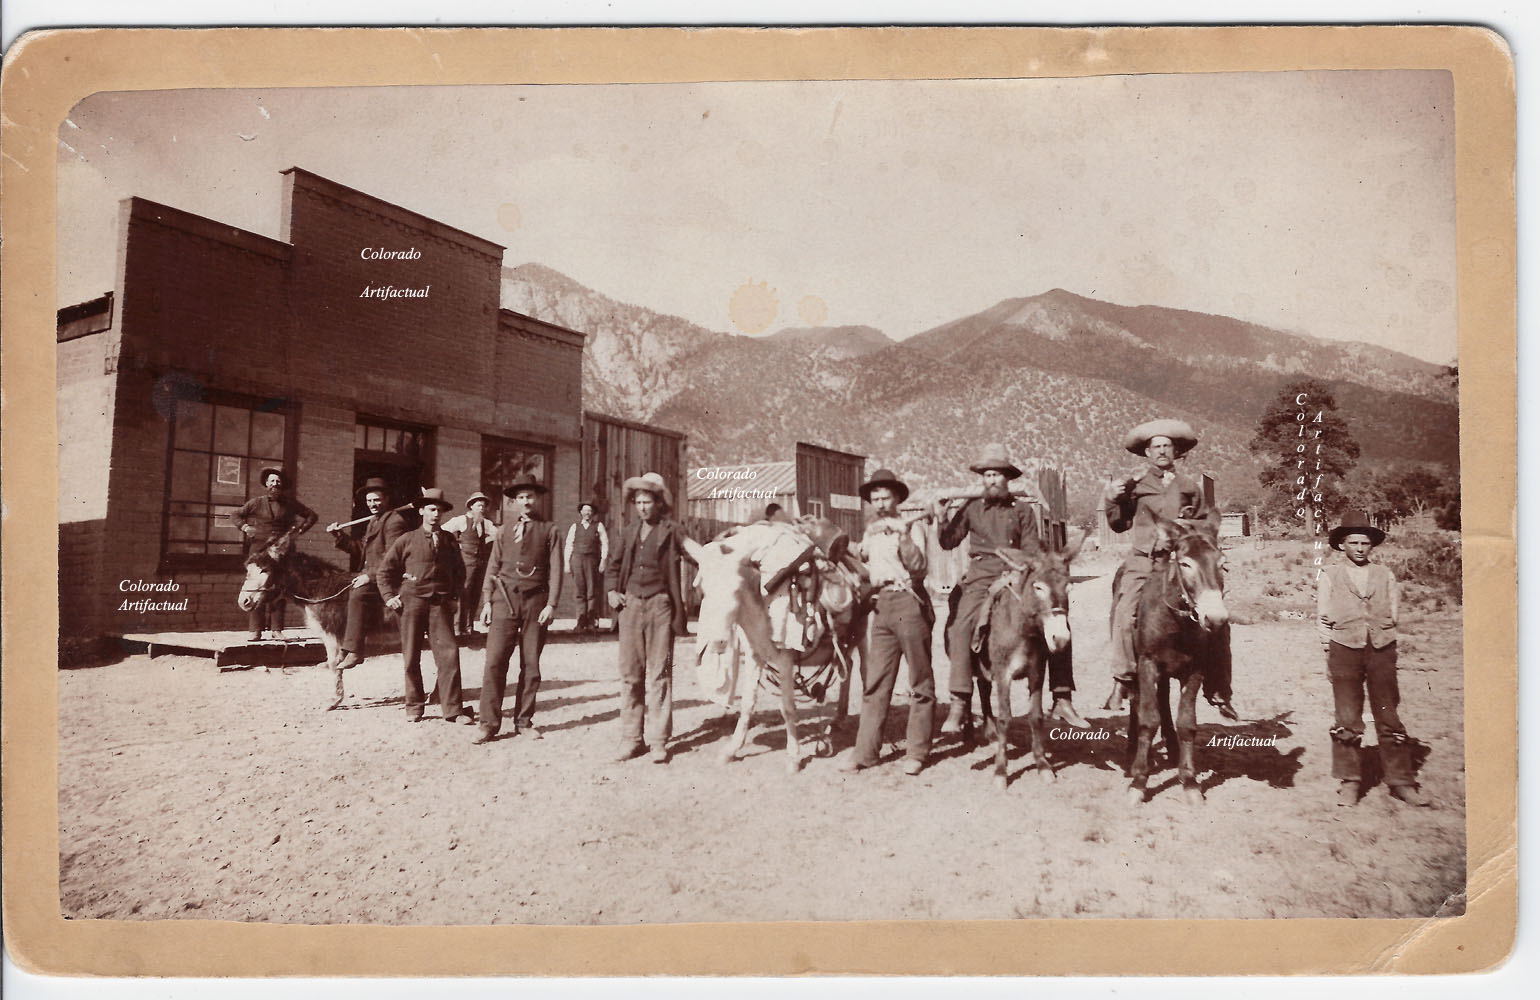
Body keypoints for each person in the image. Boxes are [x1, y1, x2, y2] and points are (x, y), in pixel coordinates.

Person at [934, 443, 1088, 738]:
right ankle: (960, 700)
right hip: (980, 576)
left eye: (998, 475)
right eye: (987, 475)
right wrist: (942, 518)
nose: (992, 480)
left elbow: (1031, 550)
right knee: (960, 626)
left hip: (1015, 572)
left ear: (1008, 479)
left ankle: (1062, 695)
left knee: (1055, 620)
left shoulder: (1023, 510)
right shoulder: (971, 508)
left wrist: (1020, 571)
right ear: (983, 479)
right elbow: (948, 541)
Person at [1102, 419, 1237, 720]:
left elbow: (1204, 526)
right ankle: (1122, 680)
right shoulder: (1135, 488)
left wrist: (1189, 528)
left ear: (1175, 451)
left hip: (1179, 562)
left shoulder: (1189, 487)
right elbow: (1118, 522)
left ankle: (1219, 688)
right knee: (1125, 615)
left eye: (1167, 446)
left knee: (1218, 621)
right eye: (1156, 447)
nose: (1162, 451)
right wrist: (1111, 499)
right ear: (1147, 453)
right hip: (1144, 562)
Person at [1319, 515, 1430, 807]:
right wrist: (1327, 652)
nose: (1359, 548)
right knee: (1346, 716)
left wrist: (1381, 632)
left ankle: (1401, 781)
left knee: (1388, 714)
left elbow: (1394, 613)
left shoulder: (1384, 574)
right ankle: (1350, 781)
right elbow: (1323, 618)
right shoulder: (1329, 575)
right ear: (1342, 545)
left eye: (1364, 543)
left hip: (1381, 650)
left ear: (1372, 546)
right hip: (1343, 649)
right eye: (1353, 542)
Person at [839, 468, 934, 776]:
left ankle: (917, 752)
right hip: (882, 607)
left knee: (919, 680)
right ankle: (865, 753)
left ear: (896, 498)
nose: (880, 503)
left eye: (885, 497)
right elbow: (865, 562)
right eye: (875, 498)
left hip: (908, 600)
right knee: (875, 682)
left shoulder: (910, 526)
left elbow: (919, 568)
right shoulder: (871, 530)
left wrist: (905, 536)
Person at [606, 472, 690, 764]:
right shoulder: (628, 532)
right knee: (630, 675)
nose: (642, 507)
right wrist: (611, 592)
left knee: (660, 674)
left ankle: (658, 741)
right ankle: (631, 740)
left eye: (648, 501)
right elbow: (613, 566)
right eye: (638, 502)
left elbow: (695, 552)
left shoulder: (672, 530)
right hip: (630, 607)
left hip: (660, 606)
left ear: (658, 503)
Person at [475, 476, 563, 744]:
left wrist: (551, 604)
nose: (526, 501)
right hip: (504, 599)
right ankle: (488, 723)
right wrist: (487, 601)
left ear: (538, 499)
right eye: (521, 497)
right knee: (494, 662)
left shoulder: (550, 530)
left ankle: (523, 721)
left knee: (531, 664)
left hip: (536, 602)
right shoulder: (503, 530)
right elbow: (493, 566)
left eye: (531, 497)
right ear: (513, 501)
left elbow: (557, 569)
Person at [377, 488, 470, 725]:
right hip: (412, 603)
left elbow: (460, 572)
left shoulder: (450, 540)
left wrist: (454, 598)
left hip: (440, 604)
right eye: (431, 509)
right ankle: (414, 706)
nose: (435, 514)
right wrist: (390, 596)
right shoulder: (406, 540)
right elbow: (384, 571)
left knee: (449, 655)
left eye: (439, 510)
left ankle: (453, 710)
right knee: (411, 656)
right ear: (421, 511)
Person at [324, 478, 408, 705]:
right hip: (372, 572)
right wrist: (339, 537)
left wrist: (369, 576)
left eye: (377, 500)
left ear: (386, 500)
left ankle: (354, 650)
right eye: (369, 500)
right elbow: (362, 550)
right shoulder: (374, 521)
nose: (373, 504)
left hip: (387, 576)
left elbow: (392, 556)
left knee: (359, 594)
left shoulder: (394, 521)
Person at [232, 467, 318, 640]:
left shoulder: (290, 503)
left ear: (282, 485)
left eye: (278, 481)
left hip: (282, 551)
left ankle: (276, 629)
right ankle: (255, 630)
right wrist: (245, 527)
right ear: (266, 484)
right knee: (257, 585)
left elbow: (311, 516)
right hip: (259, 550)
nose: (275, 484)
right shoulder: (256, 503)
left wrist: (298, 532)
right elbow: (236, 514)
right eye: (272, 481)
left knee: (279, 587)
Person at [442, 492, 498, 637]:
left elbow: (499, 535)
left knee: (475, 594)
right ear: (471, 506)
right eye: (479, 505)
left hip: (480, 564)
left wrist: (489, 541)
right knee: (463, 593)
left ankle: (469, 627)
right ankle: (457, 628)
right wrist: (455, 547)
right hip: (464, 564)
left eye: (484, 506)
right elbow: (443, 531)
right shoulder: (461, 520)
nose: (482, 509)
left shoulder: (486, 523)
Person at [564, 500, 609, 632]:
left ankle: (592, 619)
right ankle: (581, 619)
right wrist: (567, 563)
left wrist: (603, 561)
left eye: (589, 510)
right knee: (579, 590)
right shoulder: (575, 526)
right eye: (584, 510)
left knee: (592, 590)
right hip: (577, 560)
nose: (587, 513)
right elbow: (569, 545)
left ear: (593, 513)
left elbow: (605, 544)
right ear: (580, 512)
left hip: (592, 560)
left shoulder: (598, 526)